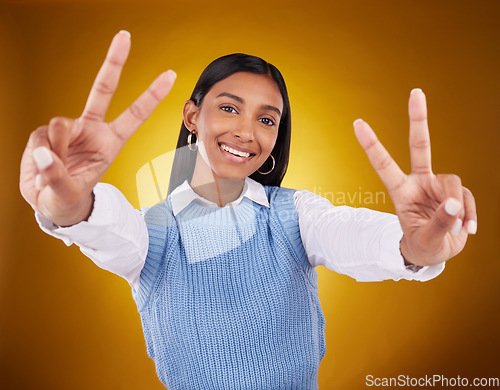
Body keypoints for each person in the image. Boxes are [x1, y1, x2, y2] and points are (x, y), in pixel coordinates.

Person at [19, 31, 477, 389]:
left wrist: (415, 244)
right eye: (229, 108)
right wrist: (73, 201)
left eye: (265, 119)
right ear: (192, 116)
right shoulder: (155, 233)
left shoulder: (293, 215)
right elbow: (108, 228)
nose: (246, 131)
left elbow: (353, 233)